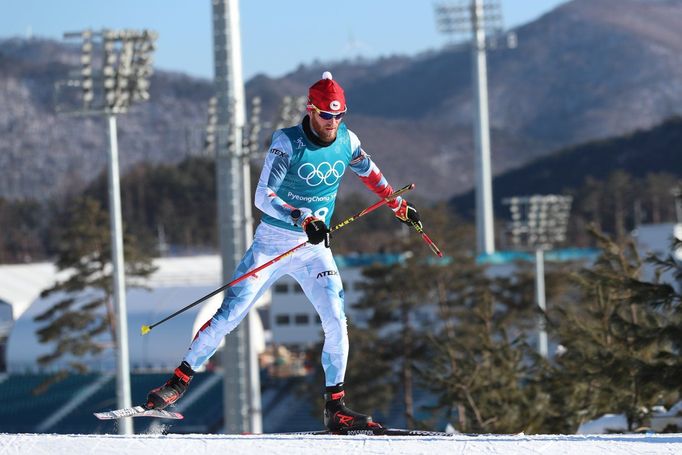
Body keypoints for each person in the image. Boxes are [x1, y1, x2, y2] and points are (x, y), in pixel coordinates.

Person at [145, 71, 421, 431]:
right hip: (272, 244)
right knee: (230, 316)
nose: (332, 123)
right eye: (326, 115)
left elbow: (371, 173)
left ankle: (335, 408)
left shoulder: (348, 141)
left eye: (339, 116)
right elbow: (263, 196)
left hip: (312, 251)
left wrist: (397, 205)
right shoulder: (287, 142)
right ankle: (177, 381)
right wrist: (301, 216)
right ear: (310, 111)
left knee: (337, 321)